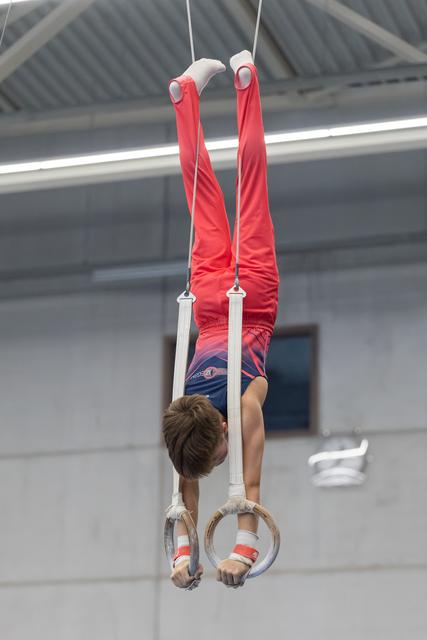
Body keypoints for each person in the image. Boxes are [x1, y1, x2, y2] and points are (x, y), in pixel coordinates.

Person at [163, 50, 279, 589]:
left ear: (223, 430)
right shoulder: (180, 415)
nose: (218, 462)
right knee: (202, 191)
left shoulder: (245, 405)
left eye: (217, 455)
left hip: (250, 300)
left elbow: (248, 486)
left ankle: (245, 82)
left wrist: (243, 551)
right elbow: (185, 484)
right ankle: (186, 96)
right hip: (209, 303)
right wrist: (181, 556)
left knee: (250, 181)